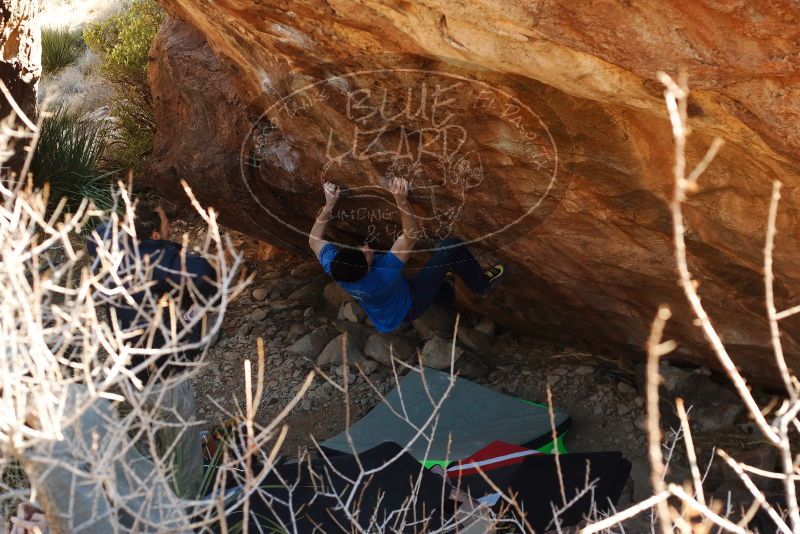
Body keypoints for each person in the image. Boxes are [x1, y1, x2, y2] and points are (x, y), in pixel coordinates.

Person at [88, 200, 217, 499]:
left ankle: (151, 503)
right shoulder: (157, 261)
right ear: (156, 236)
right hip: (164, 376)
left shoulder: (111, 254)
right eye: (164, 223)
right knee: (181, 447)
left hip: (130, 371)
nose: (170, 225)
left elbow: (100, 232)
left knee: (149, 445)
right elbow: (206, 277)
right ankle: (188, 511)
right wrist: (167, 250)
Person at [309, 178, 504, 334]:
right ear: (367, 270)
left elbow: (313, 240)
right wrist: (401, 200)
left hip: (385, 308)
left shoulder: (337, 268)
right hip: (410, 304)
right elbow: (411, 235)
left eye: (359, 248)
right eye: (365, 254)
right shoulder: (384, 276)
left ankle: (445, 292)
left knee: (436, 282)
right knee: (449, 248)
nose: (365, 247)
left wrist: (329, 205)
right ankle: (481, 285)